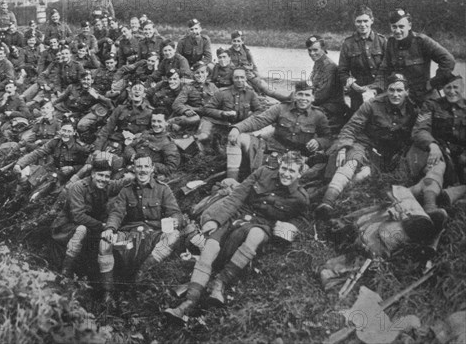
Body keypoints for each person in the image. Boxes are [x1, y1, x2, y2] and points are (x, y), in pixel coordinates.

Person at [165, 151, 308, 321]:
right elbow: (236, 197)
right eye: (284, 168)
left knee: (255, 235)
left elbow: (302, 219)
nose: (286, 174)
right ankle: (188, 303)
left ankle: (220, 282)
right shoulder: (263, 172)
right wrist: (216, 221)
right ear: (279, 166)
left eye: (292, 171)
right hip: (238, 216)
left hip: (261, 225)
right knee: (210, 247)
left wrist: (288, 228)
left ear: (300, 173)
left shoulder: (300, 198)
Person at [315, 73, 418, 220]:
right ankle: (327, 203)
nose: (395, 94)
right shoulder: (372, 104)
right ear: (386, 90)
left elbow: (417, 134)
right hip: (364, 143)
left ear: (407, 92)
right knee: (351, 161)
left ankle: (329, 192)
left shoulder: (413, 110)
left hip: (386, 155)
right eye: (391, 90)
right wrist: (343, 147)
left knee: (364, 175)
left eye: (400, 90)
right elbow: (351, 127)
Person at [98, 154, 184, 303]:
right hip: (131, 233)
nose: (143, 170)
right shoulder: (126, 190)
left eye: (146, 167)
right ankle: (108, 291)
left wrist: (175, 220)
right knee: (104, 242)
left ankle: (142, 272)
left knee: (174, 235)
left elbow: (175, 212)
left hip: (154, 233)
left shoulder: (163, 189)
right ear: (134, 169)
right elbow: (117, 213)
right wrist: (110, 229)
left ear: (152, 169)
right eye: (139, 166)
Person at [227, 81, 331, 181]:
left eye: (307, 95)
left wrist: (318, 142)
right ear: (294, 95)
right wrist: (237, 128)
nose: (303, 98)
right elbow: (259, 121)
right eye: (300, 94)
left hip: (296, 156)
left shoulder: (319, 116)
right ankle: (230, 183)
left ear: (313, 98)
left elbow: (327, 138)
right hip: (271, 150)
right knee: (238, 138)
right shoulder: (281, 108)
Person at [51, 155, 133, 279]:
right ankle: (65, 271)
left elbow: (121, 183)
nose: (103, 179)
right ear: (93, 174)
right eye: (100, 175)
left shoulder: (108, 185)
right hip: (66, 227)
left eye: (107, 176)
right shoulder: (78, 187)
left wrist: (135, 175)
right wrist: (102, 226)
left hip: (90, 227)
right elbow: (78, 216)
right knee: (81, 229)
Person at [408, 73, 466, 230]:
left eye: (456, 87)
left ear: (463, 88)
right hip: (436, 151)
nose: (452, 91)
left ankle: (452, 195)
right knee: (437, 165)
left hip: (459, 157)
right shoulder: (431, 105)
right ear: (442, 89)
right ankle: (430, 207)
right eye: (448, 87)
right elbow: (420, 129)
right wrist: (432, 145)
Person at [374, 8, 455, 105]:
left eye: (401, 26)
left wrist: (432, 83)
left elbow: (448, 60)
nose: (398, 31)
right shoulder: (391, 42)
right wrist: (376, 87)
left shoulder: (422, 41)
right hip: (402, 98)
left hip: (424, 97)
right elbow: (384, 69)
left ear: (409, 26)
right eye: (394, 27)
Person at [196, 68, 263, 150]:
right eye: (236, 77)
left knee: (247, 143)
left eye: (242, 77)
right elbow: (207, 109)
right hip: (221, 123)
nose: (239, 80)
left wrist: (248, 120)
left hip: (240, 125)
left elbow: (259, 110)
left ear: (246, 78)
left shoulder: (251, 94)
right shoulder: (222, 92)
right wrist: (222, 113)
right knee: (203, 138)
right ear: (233, 78)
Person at [338, 6, 387, 111]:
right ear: (354, 22)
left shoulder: (382, 41)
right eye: (359, 21)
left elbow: (388, 69)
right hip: (358, 95)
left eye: (365, 21)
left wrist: (375, 88)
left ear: (372, 20)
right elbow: (342, 71)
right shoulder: (348, 44)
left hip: (380, 93)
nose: (362, 25)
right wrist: (353, 85)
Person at [93, 82, 154, 155]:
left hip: (136, 144)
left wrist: (141, 135)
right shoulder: (120, 109)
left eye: (140, 90)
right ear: (130, 93)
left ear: (144, 94)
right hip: (118, 142)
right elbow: (107, 128)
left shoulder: (150, 112)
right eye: (134, 89)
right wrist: (98, 148)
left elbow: (153, 130)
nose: (137, 91)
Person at [305, 35, 348, 131]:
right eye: (309, 50)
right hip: (322, 105)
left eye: (315, 50)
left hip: (331, 109)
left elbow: (321, 95)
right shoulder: (318, 63)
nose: (312, 53)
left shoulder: (329, 66)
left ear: (323, 49)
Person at [123, 108, 181, 177]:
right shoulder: (146, 133)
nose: (156, 124)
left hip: (143, 174)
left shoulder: (168, 143)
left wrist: (147, 164)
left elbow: (171, 169)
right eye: (153, 121)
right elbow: (129, 146)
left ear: (166, 123)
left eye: (159, 121)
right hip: (129, 166)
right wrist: (133, 156)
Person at [171, 61, 218, 131]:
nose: (200, 75)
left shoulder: (212, 86)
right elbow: (177, 103)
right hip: (194, 115)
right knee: (194, 119)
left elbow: (220, 100)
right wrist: (186, 110)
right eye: (197, 73)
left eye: (203, 72)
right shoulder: (188, 87)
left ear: (207, 73)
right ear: (193, 74)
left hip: (208, 116)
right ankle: (172, 123)